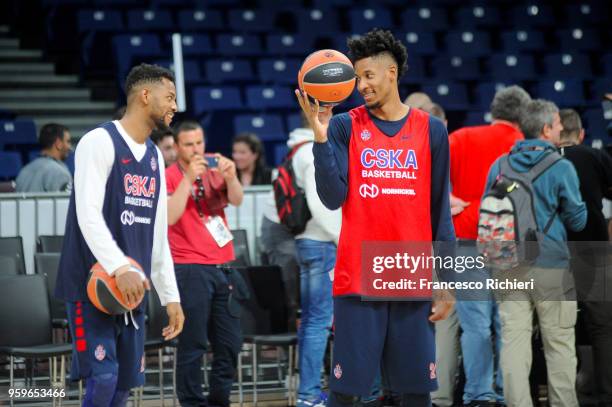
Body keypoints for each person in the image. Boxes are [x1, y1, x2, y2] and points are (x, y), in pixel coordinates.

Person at [296, 29, 454, 407]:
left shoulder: (431, 130)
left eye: (368, 76)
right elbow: (332, 198)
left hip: (410, 273)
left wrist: (447, 281)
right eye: (357, 77)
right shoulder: (343, 125)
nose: (360, 85)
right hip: (359, 276)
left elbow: (440, 213)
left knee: (417, 392)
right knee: (346, 391)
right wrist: (319, 140)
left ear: (392, 73)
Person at [54, 63, 184, 407]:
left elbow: (158, 237)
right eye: (169, 97)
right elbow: (87, 214)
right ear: (145, 96)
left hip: (132, 291)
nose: (175, 106)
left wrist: (171, 296)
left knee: (125, 385)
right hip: (92, 284)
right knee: (104, 377)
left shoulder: (155, 156)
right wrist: (119, 267)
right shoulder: (99, 141)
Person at [484, 99, 587, 407]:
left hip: (508, 265)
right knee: (559, 344)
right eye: (558, 125)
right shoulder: (561, 166)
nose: (560, 129)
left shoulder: (499, 165)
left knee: (514, 344)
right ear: (545, 129)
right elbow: (578, 221)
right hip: (552, 266)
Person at [448, 85, 532, 407]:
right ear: (523, 116)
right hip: (510, 245)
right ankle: (506, 390)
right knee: (508, 323)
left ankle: (479, 393)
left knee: (475, 326)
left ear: (493, 109)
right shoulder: (524, 147)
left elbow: (425, 179)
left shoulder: (460, 137)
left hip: (466, 242)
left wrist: (448, 203)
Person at [166, 120, 244, 407]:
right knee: (193, 343)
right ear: (176, 147)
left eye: (199, 142)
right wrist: (188, 178)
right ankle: (192, 402)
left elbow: (236, 200)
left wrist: (233, 177)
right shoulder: (169, 175)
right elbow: (169, 217)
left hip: (223, 264)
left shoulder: (214, 169)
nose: (196, 149)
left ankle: (219, 400)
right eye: (188, 144)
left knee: (230, 343)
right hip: (189, 267)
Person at [557, 109, 612, 406]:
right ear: (580, 134)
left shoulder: (546, 160)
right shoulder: (593, 155)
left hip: (553, 253)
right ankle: (606, 395)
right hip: (593, 250)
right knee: (603, 327)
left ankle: (562, 395)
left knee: (557, 329)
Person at [290, 117, 342, 407]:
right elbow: (320, 204)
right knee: (319, 322)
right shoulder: (310, 150)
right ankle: (309, 394)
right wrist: (341, 237)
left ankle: (308, 392)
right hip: (322, 243)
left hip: (308, 242)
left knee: (312, 320)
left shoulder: (295, 147)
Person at [15, 123, 73, 192]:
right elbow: (66, 201)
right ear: (58, 143)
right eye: (68, 141)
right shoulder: (60, 173)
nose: (70, 147)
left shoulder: (24, 170)